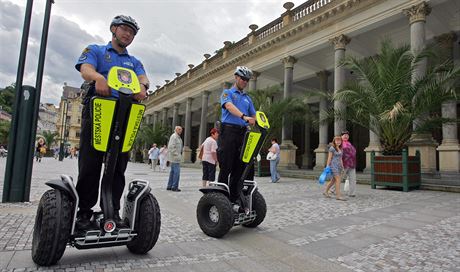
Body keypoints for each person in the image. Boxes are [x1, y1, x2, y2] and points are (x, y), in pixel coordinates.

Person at [74, 15, 149, 230]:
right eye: (125, 29)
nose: (128, 34)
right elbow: (85, 69)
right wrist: (98, 78)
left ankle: (112, 210)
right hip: (99, 110)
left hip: (124, 112)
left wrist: (143, 87)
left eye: (132, 32)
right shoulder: (97, 50)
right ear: (114, 29)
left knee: (118, 164)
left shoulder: (134, 62)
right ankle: (84, 213)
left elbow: (142, 78)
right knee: (91, 163)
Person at [217, 66, 256, 213]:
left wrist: (260, 120)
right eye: (243, 78)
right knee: (226, 166)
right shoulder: (227, 93)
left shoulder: (247, 98)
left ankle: (233, 200)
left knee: (239, 169)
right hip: (228, 132)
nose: (245, 82)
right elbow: (229, 107)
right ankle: (220, 199)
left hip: (242, 134)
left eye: (247, 80)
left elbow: (254, 115)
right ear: (236, 77)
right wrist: (243, 117)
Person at [323, 136, 346, 201]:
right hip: (333, 166)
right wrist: (327, 166)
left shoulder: (341, 149)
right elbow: (329, 158)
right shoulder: (332, 148)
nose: (338, 142)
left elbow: (341, 158)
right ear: (334, 141)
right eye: (337, 140)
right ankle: (338, 196)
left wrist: (342, 166)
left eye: (339, 141)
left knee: (333, 181)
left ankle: (326, 191)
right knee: (338, 179)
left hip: (338, 166)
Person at [166, 126, 183, 191]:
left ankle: (169, 186)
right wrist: (177, 155)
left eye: (181, 129)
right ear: (176, 130)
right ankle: (174, 187)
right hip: (175, 158)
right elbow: (171, 147)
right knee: (176, 173)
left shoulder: (177, 137)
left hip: (175, 158)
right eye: (179, 129)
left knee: (172, 172)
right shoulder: (174, 136)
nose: (180, 131)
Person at [341, 130, 357, 197]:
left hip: (352, 164)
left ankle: (352, 193)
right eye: (344, 135)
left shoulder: (350, 144)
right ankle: (332, 190)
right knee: (339, 178)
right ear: (341, 136)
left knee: (352, 179)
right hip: (343, 164)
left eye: (347, 135)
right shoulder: (340, 144)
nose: (345, 136)